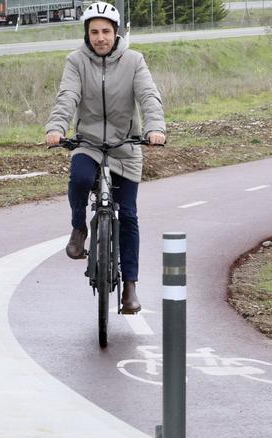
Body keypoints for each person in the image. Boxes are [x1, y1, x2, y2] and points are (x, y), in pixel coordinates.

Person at [45, 1, 166, 314]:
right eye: (94, 32)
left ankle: (130, 288)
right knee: (80, 177)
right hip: (89, 143)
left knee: (127, 215)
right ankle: (79, 229)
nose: (100, 37)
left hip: (126, 147)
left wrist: (154, 129)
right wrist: (57, 128)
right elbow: (67, 97)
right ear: (87, 34)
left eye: (106, 31)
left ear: (116, 33)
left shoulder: (134, 61)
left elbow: (148, 97)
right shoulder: (75, 62)